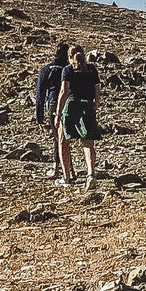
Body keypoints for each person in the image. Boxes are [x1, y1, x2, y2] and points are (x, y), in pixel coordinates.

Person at [56, 45, 102, 189]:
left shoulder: (68, 70)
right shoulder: (92, 69)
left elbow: (64, 91)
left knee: (63, 140)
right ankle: (91, 174)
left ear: (70, 57)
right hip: (88, 105)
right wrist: (95, 105)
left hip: (72, 105)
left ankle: (66, 177)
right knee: (88, 142)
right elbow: (98, 90)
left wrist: (58, 113)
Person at [34, 42, 70, 177]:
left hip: (54, 103)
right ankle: (69, 169)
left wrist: (39, 113)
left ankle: (57, 167)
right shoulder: (69, 69)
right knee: (65, 137)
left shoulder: (46, 69)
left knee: (58, 138)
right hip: (70, 103)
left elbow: (40, 93)